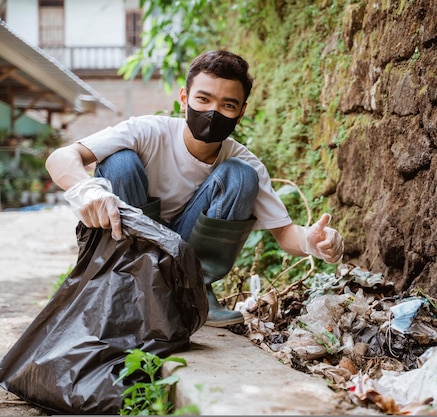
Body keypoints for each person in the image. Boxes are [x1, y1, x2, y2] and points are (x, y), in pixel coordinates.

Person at [45, 49, 344, 328]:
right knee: (119, 161)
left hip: (184, 260)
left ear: (241, 112)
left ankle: (194, 292)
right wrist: (88, 191)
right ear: (184, 98)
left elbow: (285, 232)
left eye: (228, 105)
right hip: (130, 251)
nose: (213, 111)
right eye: (204, 99)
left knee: (240, 177)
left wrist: (311, 241)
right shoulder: (148, 132)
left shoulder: (243, 160)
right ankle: (127, 287)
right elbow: (62, 158)